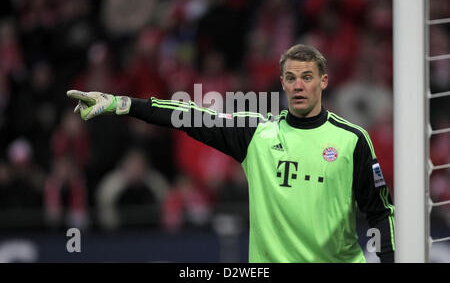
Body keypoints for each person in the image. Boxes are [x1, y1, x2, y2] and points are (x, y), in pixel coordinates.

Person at [67, 44, 395, 263]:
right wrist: (123, 104)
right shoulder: (257, 134)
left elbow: (379, 212)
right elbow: (188, 115)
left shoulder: (352, 139)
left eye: (307, 78)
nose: (298, 86)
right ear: (282, 83)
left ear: (323, 82)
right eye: (291, 78)